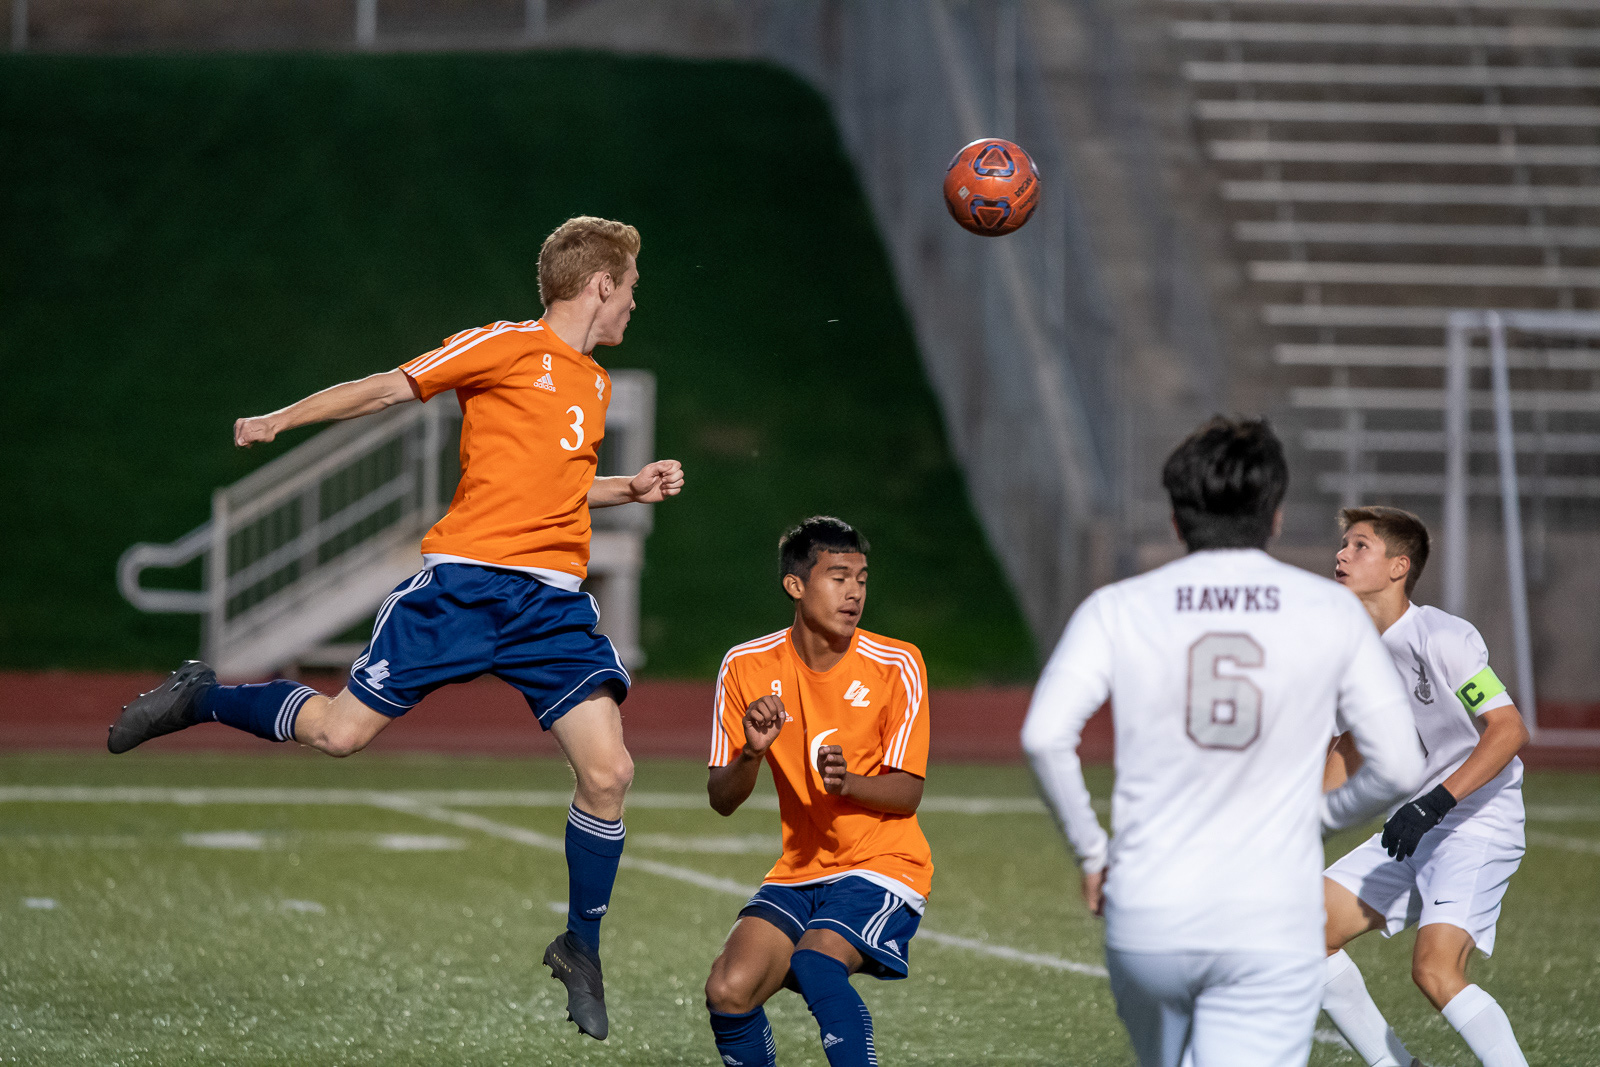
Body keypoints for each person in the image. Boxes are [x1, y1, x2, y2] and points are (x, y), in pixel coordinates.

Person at [107, 215, 683, 1041]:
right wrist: (281, 418)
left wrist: (628, 487)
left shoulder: (592, 383)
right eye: (630, 287)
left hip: (551, 608)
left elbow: (558, 484)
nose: (633, 302)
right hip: (463, 589)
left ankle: (580, 948)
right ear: (600, 283)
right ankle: (202, 697)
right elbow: (387, 387)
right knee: (340, 734)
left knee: (610, 772)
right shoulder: (504, 346)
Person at [1021, 416, 1425, 1067]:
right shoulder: (1329, 610)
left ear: (1176, 519)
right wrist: (1318, 816)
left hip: (1150, 906)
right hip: (1270, 909)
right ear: (1276, 515)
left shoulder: (1117, 606)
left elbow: (1044, 736)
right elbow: (1400, 764)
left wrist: (1093, 853)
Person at [702, 517, 932, 1067]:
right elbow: (722, 798)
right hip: (800, 868)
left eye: (862, 579)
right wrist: (752, 752)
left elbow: (908, 793)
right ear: (796, 585)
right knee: (729, 990)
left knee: (816, 963)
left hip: (883, 863)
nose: (854, 593)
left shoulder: (897, 664)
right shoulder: (745, 666)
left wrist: (848, 782)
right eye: (838, 577)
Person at [1320, 506, 1531, 1067]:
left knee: (1435, 971)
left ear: (1399, 567)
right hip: (1418, 824)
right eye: (1344, 544)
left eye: (1360, 546)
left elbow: (1508, 729)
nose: (1341, 554)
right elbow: (1351, 746)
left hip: (1479, 824)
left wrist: (1434, 804)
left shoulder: (1444, 637)